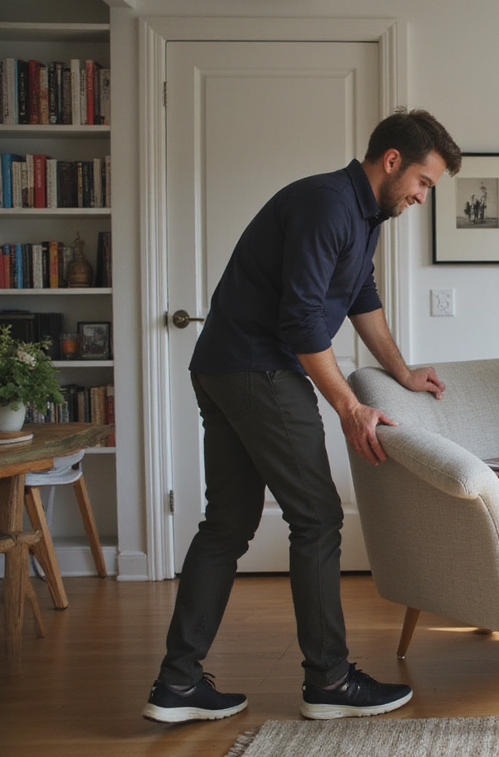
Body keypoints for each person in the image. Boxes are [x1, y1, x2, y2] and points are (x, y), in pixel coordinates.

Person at [142, 108, 462, 723]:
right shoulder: (327, 205)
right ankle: (329, 680)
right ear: (392, 162)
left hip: (223, 366)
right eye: (423, 182)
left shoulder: (363, 213)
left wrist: (399, 370)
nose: (423, 197)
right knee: (316, 518)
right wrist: (349, 406)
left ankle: (177, 683)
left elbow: (360, 297)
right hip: (259, 368)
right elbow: (300, 322)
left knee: (228, 523)